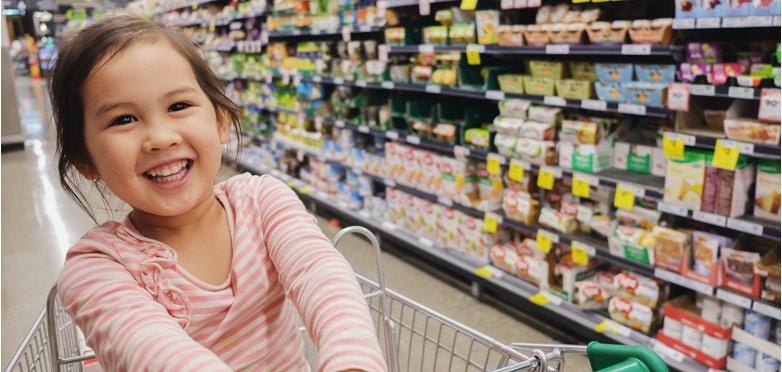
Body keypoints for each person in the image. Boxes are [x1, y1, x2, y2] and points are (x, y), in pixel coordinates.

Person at [51, 15, 386, 372]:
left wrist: (352, 362)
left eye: (178, 106)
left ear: (221, 121)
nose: (161, 138)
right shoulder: (96, 267)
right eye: (123, 119)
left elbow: (320, 274)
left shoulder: (262, 202)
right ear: (85, 160)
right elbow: (153, 351)